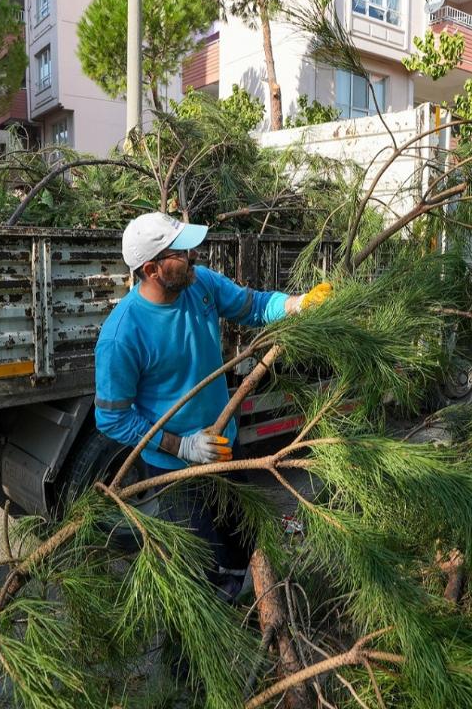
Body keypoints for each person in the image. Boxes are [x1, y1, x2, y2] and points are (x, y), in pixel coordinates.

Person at [94, 212, 331, 597]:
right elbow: (112, 418)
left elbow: (252, 305)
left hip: (224, 448)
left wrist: (297, 304)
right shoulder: (122, 335)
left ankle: (253, 605)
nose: (193, 255)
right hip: (177, 472)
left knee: (242, 535)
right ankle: (212, 633)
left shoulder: (200, 286)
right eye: (181, 251)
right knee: (204, 560)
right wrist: (182, 445)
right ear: (152, 269)